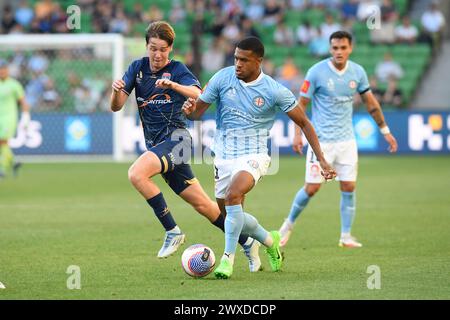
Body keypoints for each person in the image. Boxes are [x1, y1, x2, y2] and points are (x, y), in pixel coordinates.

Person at [109, 21, 261, 270]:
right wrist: (116, 92)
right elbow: (116, 106)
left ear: (170, 49)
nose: (157, 55)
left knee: (136, 173)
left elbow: (198, 94)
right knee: (206, 207)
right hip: (158, 146)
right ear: (147, 46)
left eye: (163, 49)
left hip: (177, 141)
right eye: (153, 48)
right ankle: (247, 242)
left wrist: (172, 86)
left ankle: (172, 230)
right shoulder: (136, 68)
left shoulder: (178, 70)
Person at [182, 36, 336, 279]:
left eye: (244, 60)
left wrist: (322, 160)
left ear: (258, 61)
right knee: (231, 215)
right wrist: (190, 111)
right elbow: (197, 113)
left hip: (254, 154)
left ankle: (227, 260)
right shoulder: (223, 78)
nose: (238, 64)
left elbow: (304, 123)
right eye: (235, 58)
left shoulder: (274, 90)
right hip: (223, 155)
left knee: (234, 195)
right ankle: (269, 240)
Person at [279, 31, 398, 248]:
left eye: (343, 48)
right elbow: (301, 105)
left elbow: (371, 104)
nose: (339, 52)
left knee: (349, 187)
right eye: (335, 48)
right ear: (330, 49)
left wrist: (385, 131)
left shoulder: (358, 72)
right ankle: (288, 224)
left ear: (350, 48)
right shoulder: (316, 72)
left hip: (347, 141)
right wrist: (297, 134)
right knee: (312, 188)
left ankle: (345, 236)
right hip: (321, 142)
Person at [0, 59, 30, 178]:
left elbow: (23, 102)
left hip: (9, 118)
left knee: (3, 141)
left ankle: (2, 169)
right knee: (1, 143)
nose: (2, 71)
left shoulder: (14, 85)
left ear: (7, 70)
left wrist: (26, 117)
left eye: (3, 68)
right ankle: (13, 162)